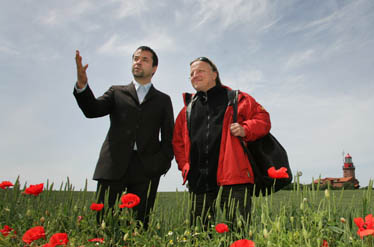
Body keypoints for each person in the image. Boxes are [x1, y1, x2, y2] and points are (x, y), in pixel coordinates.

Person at [73, 46, 174, 228]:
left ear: (154, 68)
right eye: (136, 58)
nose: (138, 62)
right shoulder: (116, 92)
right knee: (104, 223)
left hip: (146, 170)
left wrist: (160, 165)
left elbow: (169, 137)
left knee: (139, 225)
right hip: (113, 165)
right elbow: (92, 110)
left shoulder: (163, 100)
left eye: (144, 59)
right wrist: (82, 86)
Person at [172, 57, 271, 229]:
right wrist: (185, 166)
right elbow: (178, 142)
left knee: (238, 233)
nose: (195, 75)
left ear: (214, 74)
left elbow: (263, 120)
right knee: (199, 235)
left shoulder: (237, 99)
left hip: (234, 180)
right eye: (192, 74)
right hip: (199, 181)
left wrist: (245, 128)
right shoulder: (186, 110)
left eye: (200, 71)